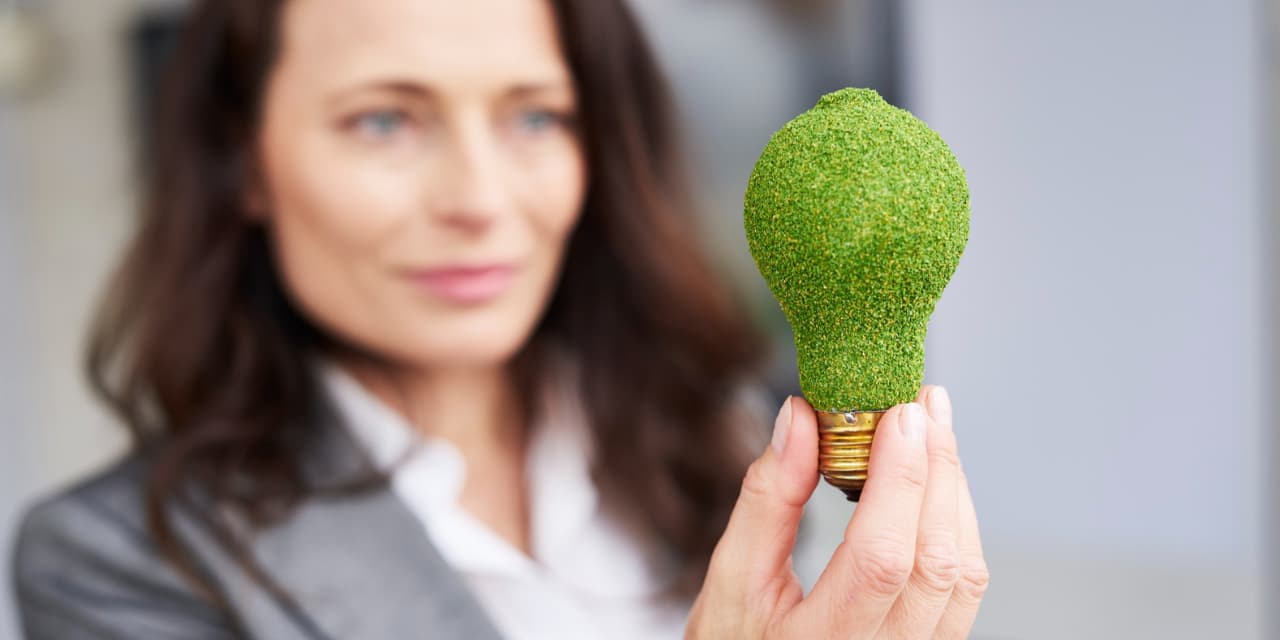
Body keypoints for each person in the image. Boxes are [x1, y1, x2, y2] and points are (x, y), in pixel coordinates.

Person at [10, 0, 988, 638]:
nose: (479, 199)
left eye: (534, 117)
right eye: (383, 120)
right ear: (246, 164)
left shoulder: (716, 436)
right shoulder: (114, 565)